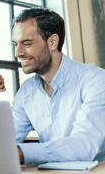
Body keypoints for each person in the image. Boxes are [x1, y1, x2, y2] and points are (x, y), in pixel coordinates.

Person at [11, 8, 105, 164]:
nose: (18, 53)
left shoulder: (95, 80)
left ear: (52, 42)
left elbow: (84, 146)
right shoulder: (27, 91)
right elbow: (5, 139)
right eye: (15, 44)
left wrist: (21, 153)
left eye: (26, 43)